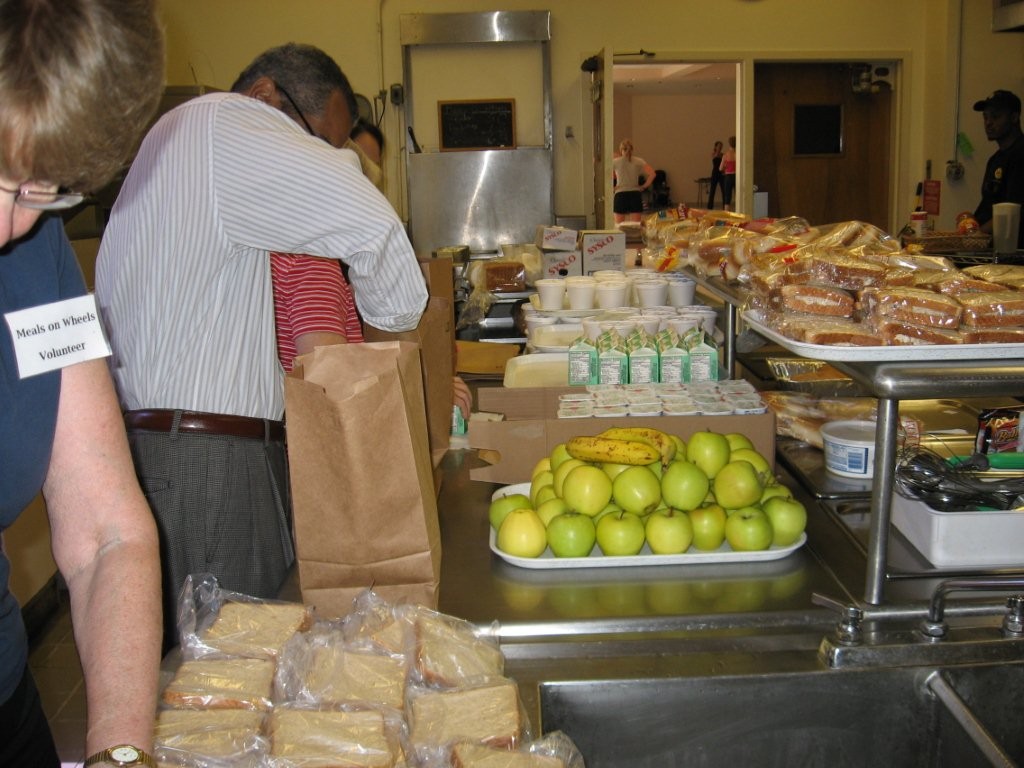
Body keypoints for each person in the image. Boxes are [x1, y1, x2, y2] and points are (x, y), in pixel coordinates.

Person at [94, 43, 429, 652]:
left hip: (186, 448)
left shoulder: (186, 145)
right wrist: (396, 318)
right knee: (229, 671)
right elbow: (374, 229)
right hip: (206, 461)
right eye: (318, 143)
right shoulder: (222, 123)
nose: (320, 159)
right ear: (265, 97)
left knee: (228, 671)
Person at [0, 1, 164, 765]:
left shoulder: (34, 256)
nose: (9, 226)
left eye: (40, 186)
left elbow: (107, 534)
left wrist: (120, 753)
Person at [972, 89, 1024, 249]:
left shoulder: (1021, 154)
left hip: (1014, 252)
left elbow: (1013, 211)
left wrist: (977, 235)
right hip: (993, 249)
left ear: (1014, 117)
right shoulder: (995, 159)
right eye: (985, 117)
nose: (988, 123)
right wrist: (969, 225)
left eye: (995, 116)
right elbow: (988, 204)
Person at [612, 139, 655, 224]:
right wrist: (644, 186)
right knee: (636, 226)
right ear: (632, 149)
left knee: (619, 226)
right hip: (635, 194)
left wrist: (612, 187)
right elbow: (652, 174)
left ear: (621, 150)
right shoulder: (639, 161)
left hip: (620, 194)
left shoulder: (615, 162)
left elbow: (605, 175)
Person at [707, 140, 725, 209]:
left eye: (721, 146)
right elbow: (715, 156)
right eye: (719, 146)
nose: (720, 147)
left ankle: (724, 206)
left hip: (721, 173)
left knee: (724, 190)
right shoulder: (713, 154)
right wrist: (717, 151)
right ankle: (710, 206)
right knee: (712, 190)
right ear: (716, 146)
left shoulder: (723, 155)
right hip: (715, 173)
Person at [721, 135, 737, 211]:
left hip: (728, 176)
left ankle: (726, 212)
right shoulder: (738, 154)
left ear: (729, 143)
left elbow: (720, 168)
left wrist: (726, 167)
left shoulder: (726, 154)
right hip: (736, 176)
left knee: (727, 195)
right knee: (738, 195)